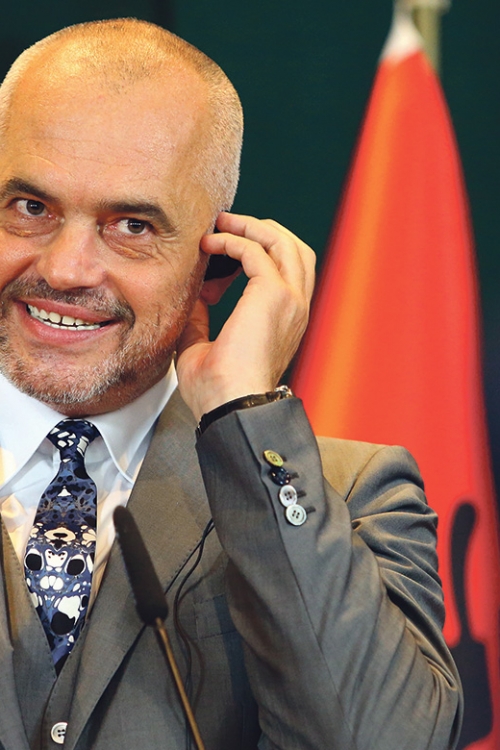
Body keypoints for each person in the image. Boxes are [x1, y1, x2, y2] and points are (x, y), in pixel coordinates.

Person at [0, 17, 462, 750]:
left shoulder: (351, 496)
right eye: (31, 208)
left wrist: (244, 414)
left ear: (215, 261)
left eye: (132, 225)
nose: (64, 269)